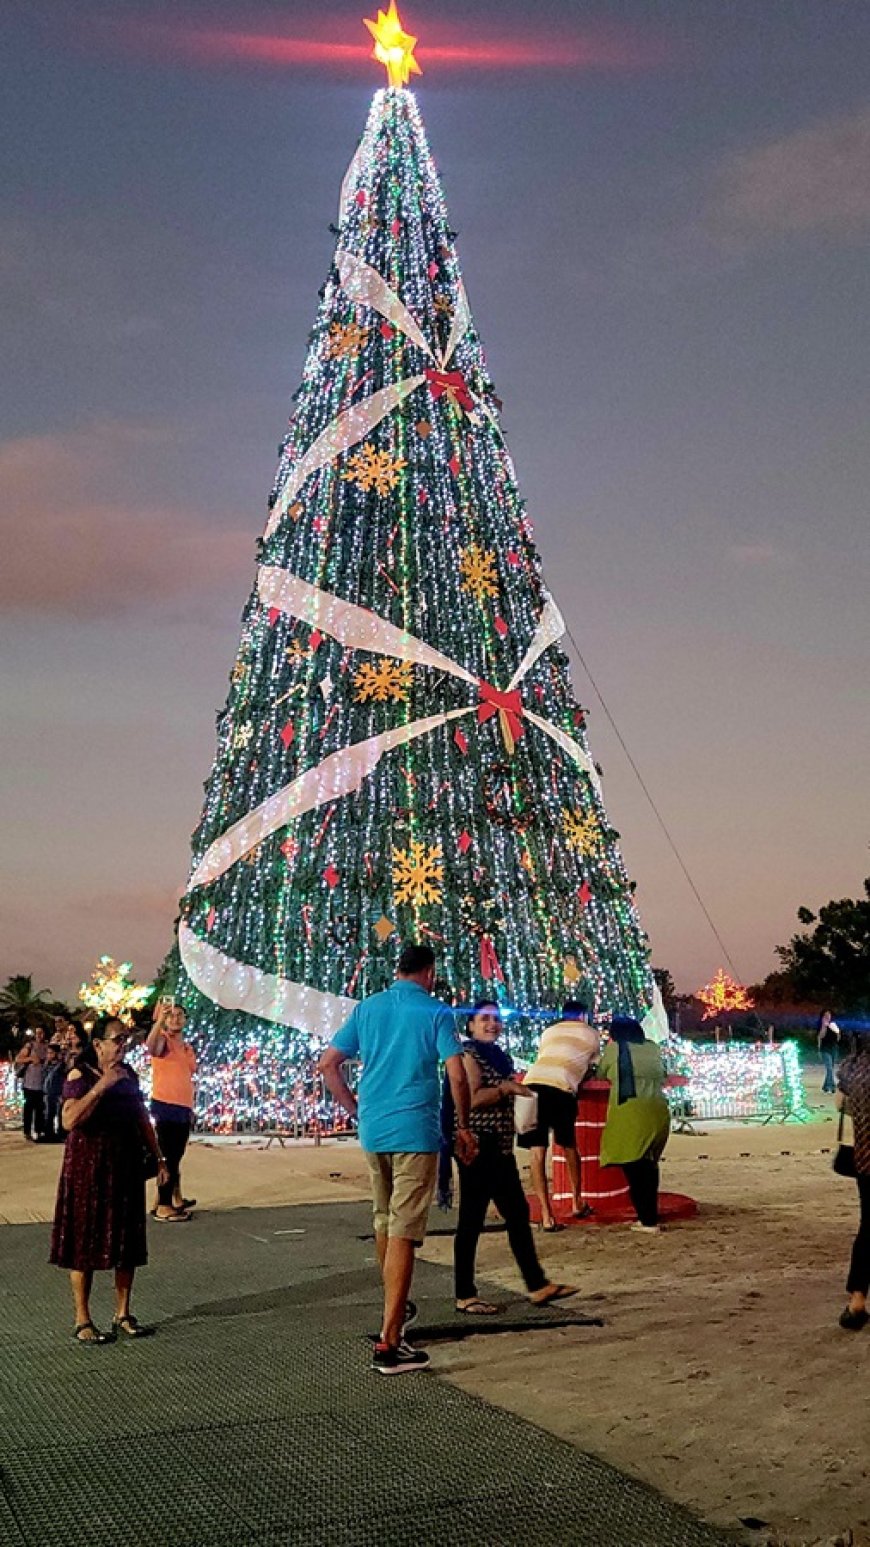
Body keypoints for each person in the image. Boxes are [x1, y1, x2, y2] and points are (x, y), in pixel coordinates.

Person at [317, 942, 477, 1376]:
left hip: (375, 1130)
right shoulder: (436, 1012)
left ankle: (397, 1307)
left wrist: (355, 1108)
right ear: (429, 972)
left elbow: (329, 1063)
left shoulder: (368, 1009)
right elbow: (456, 1072)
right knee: (405, 1228)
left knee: (384, 1220)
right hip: (415, 1131)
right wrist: (463, 1125)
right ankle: (390, 1339)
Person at [453, 1003, 577, 1315]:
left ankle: (537, 1285)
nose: (492, 1024)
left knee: (517, 1214)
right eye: (484, 1019)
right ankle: (465, 1294)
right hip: (479, 1147)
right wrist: (505, 1089)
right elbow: (471, 1098)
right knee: (472, 1219)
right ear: (470, 1026)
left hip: (501, 1146)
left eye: (496, 1019)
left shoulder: (500, 1056)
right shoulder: (469, 1055)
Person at [49, 1015, 167, 1343]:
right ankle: (83, 1320)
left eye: (126, 1040)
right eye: (116, 1040)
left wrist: (158, 1157)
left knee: (126, 1241)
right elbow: (69, 1119)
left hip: (124, 1165)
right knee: (84, 1242)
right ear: (98, 1044)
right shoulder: (79, 1075)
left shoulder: (129, 1075)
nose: (122, 1046)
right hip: (87, 1169)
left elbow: (142, 1117)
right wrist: (102, 1087)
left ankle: (123, 1313)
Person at [517, 1000, 600, 1230]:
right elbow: (593, 1065)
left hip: (531, 1084)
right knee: (568, 1145)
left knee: (537, 1153)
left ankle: (546, 1216)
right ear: (583, 1016)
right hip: (561, 1086)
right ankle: (577, 1201)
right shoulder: (591, 1034)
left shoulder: (548, 1032)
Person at [599, 1017, 670, 1233]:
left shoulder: (615, 1049)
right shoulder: (653, 1048)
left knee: (635, 1167)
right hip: (658, 1112)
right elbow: (664, 1074)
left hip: (630, 1112)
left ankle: (647, 1220)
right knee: (648, 1165)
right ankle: (650, 1215)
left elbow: (601, 1073)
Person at [146, 1001, 197, 1221]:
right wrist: (159, 1021)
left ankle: (167, 1199)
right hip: (166, 1105)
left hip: (182, 1107)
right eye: (171, 1015)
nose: (175, 1019)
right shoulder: (163, 1041)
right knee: (168, 1156)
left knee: (176, 1155)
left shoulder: (186, 1047)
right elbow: (151, 1046)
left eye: (179, 1015)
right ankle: (164, 1205)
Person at [836, 1033, 870, 1331]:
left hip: (865, 1159)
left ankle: (857, 1300)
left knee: (868, 1227)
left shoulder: (852, 1067)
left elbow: (839, 1105)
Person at [14, 1026, 48, 1140]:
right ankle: (27, 1131)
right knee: (28, 1108)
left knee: (39, 1109)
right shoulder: (30, 1046)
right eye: (37, 1033)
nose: (39, 1035)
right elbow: (18, 1059)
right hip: (29, 1083)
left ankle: (39, 1130)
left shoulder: (48, 1046)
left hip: (42, 1083)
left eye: (41, 1032)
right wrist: (30, 1059)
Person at [41, 1043, 66, 1142]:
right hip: (48, 1093)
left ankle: (61, 1134)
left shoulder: (61, 1065)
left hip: (57, 1093)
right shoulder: (48, 1065)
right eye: (48, 1053)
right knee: (48, 1114)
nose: (49, 1055)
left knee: (59, 1114)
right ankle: (49, 1134)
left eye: (51, 1053)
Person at [817, 1010, 841, 1095]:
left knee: (830, 1069)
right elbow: (821, 1036)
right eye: (826, 1015)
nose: (828, 1017)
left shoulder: (833, 1025)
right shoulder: (821, 1025)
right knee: (829, 1069)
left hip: (833, 1049)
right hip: (825, 1049)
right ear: (823, 1017)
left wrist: (836, 1032)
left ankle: (825, 1087)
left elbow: (838, 1038)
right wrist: (824, 1026)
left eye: (829, 1015)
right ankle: (833, 1087)